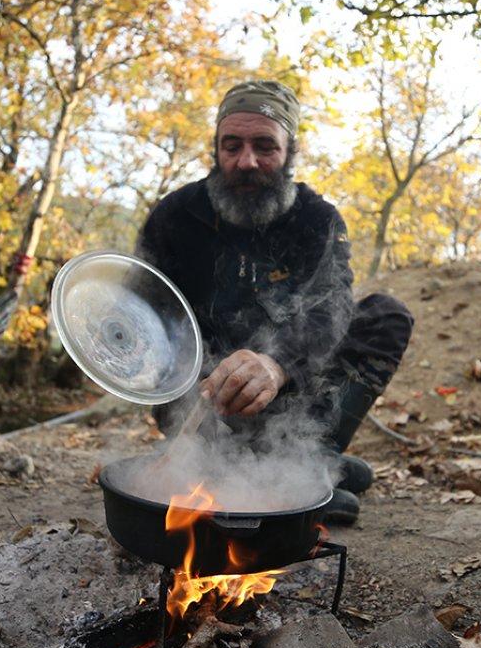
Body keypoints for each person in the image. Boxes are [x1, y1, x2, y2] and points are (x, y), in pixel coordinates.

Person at [135, 80, 414, 524]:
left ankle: (309, 461)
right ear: (215, 149)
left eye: (264, 145)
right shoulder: (174, 217)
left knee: (384, 315)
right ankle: (231, 465)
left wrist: (277, 363)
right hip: (202, 404)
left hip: (291, 396)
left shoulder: (316, 219)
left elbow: (332, 308)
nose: (246, 162)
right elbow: (143, 313)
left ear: (289, 151)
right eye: (232, 146)